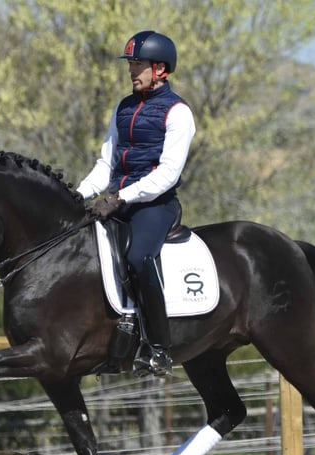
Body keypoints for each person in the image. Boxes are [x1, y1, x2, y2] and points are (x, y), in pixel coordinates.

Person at [77, 30, 196, 376]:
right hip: (119, 201)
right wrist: (81, 194)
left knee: (138, 258)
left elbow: (168, 175)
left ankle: (159, 349)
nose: (132, 70)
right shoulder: (123, 107)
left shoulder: (178, 113)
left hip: (156, 205)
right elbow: (106, 163)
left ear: (160, 68)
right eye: (130, 63)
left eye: (138, 64)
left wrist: (120, 196)